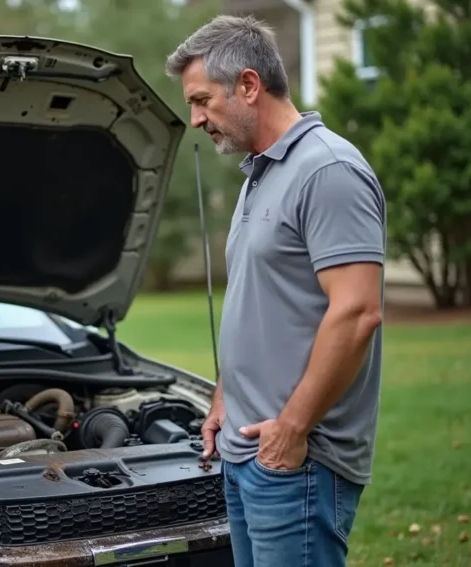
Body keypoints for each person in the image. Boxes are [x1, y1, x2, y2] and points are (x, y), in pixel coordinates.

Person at [165, 14, 387, 567]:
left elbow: (358, 312)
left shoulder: (328, 170)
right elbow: (258, 303)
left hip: (298, 459)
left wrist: (292, 429)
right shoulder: (260, 175)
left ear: (247, 85)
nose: (194, 119)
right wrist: (223, 396)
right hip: (249, 451)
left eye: (201, 100)